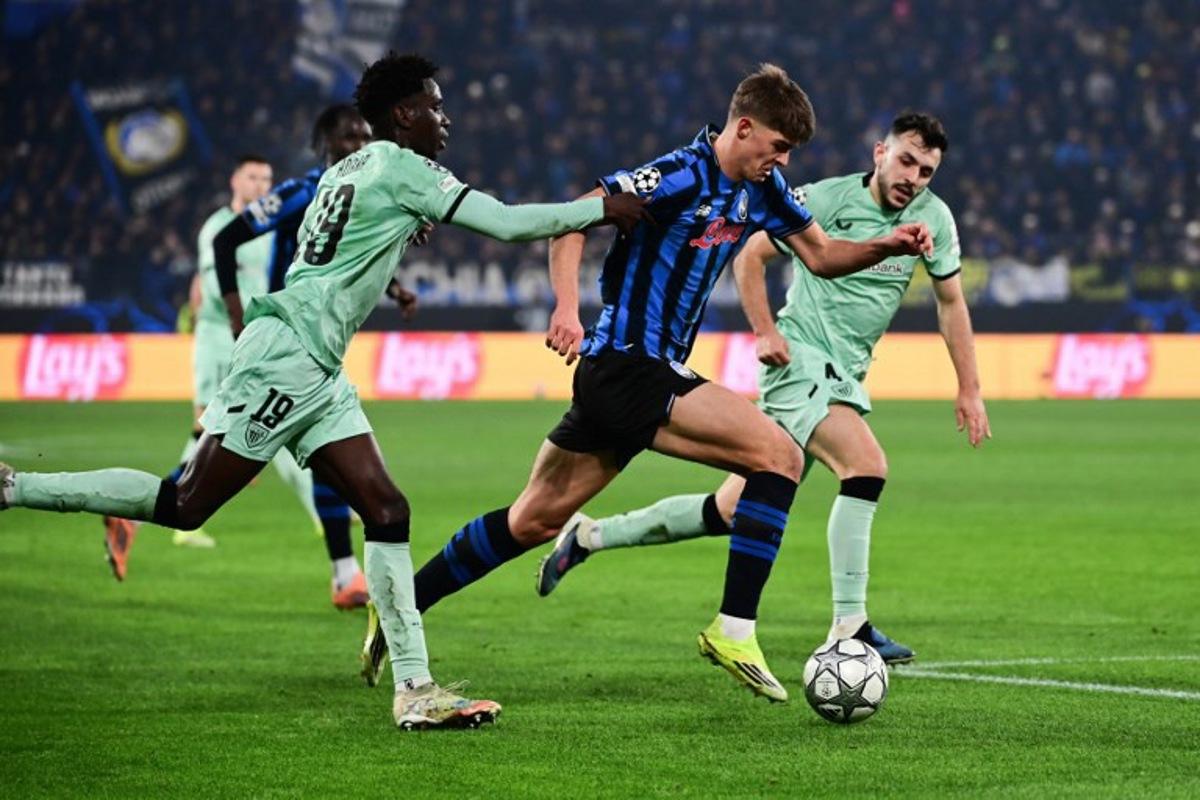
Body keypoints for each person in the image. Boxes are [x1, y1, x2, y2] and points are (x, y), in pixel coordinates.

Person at [0, 52, 648, 729]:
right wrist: (600, 207)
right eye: (434, 105)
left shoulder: (346, 170)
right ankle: (15, 488)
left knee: (388, 510)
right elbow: (511, 224)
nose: (444, 118)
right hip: (288, 359)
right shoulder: (403, 167)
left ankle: (416, 689)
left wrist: (399, 238)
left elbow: (342, 247)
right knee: (186, 503)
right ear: (404, 115)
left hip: (316, 365)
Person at [391, 65, 932, 703]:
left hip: (626, 378)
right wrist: (565, 308)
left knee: (532, 522)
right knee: (780, 458)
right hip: (627, 363)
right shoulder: (675, 174)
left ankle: (400, 608)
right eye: (778, 147)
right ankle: (734, 629)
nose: (782, 161)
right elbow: (571, 222)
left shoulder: (764, 189)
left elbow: (821, 254)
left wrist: (888, 246)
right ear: (745, 127)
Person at [535, 112, 992, 666]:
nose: (913, 178)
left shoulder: (935, 219)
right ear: (879, 153)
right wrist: (767, 331)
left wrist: (969, 387)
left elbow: (951, 303)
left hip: (847, 372)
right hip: (801, 361)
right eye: (906, 161)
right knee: (865, 466)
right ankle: (851, 626)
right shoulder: (827, 198)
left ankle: (590, 536)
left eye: (926, 171)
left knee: (729, 511)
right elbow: (751, 253)